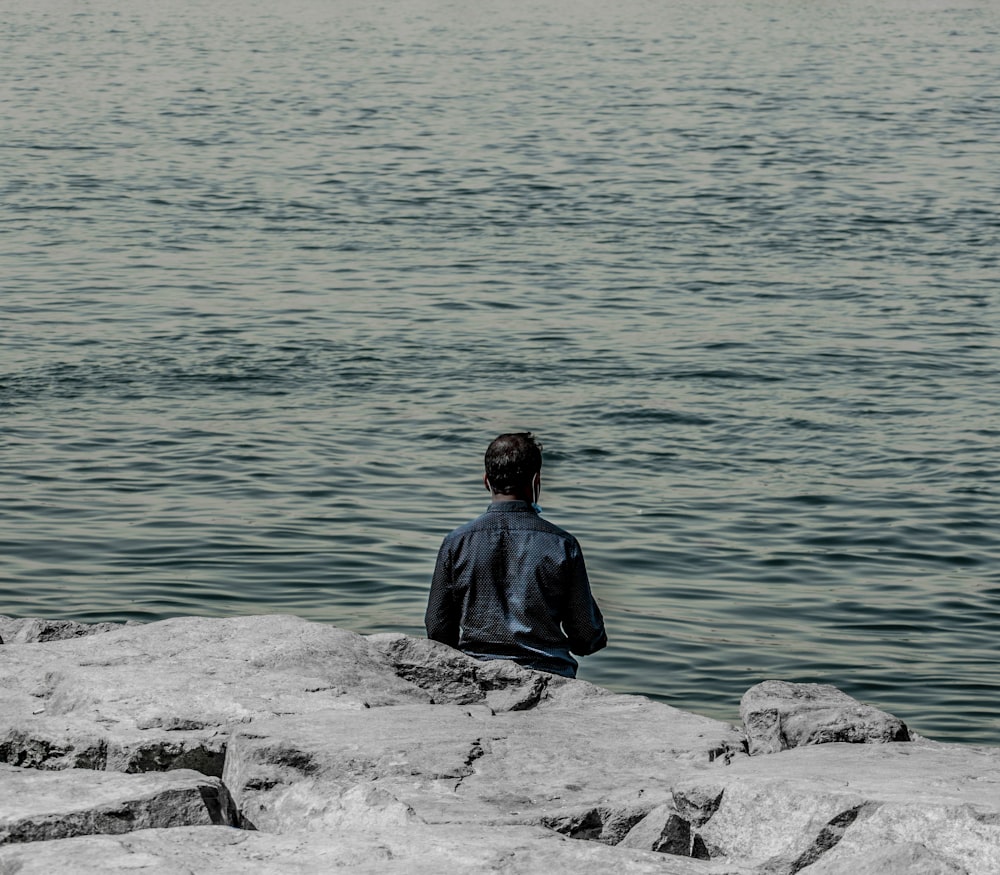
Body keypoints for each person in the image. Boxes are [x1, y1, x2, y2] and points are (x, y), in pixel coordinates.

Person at [425, 432, 607, 678]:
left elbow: (437, 629)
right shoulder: (562, 544)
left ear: (486, 481)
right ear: (536, 481)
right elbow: (587, 638)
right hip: (549, 676)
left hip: (479, 677)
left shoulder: (456, 542)